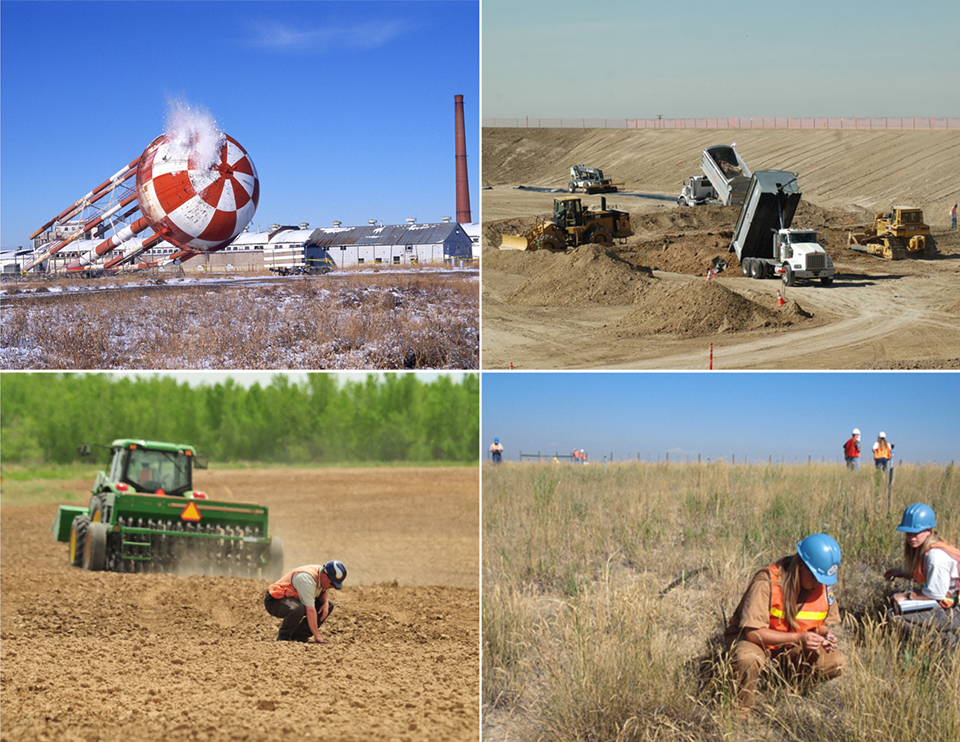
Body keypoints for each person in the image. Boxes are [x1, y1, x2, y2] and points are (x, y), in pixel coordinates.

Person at [725, 533, 844, 713]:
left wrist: (824, 635)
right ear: (800, 566)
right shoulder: (766, 582)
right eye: (815, 578)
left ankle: (785, 689)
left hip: (790, 648)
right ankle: (741, 710)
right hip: (757, 644)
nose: (819, 584)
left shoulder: (822, 586)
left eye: (823, 580)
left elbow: (820, 623)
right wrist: (800, 638)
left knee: (837, 662)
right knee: (747, 659)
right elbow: (753, 633)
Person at [883, 503, 960, 645]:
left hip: (954, 611)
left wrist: (906, 596)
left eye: (916, 532)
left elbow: (936, 593)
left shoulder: (935, 556)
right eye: (908, 533)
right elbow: (927, 576)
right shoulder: (931, 547)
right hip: (947, 603)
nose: (912, 537)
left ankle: (947, 642)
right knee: (892, 598)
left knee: (895, 615)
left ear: (929, 531)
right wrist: (901, 573)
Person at [264, 560, 346, 643]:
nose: (332, 587)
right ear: (325, 577)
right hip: (275, 601)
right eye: (332, 584)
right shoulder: (307, 579)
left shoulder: (322, 573)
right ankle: (283, 638)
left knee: (329, 605)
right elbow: (310, 610)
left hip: (294, 599)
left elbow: (322, 591)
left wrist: (325, 603)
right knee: (297, 609)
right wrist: (317, 637)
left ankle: (299, 637)